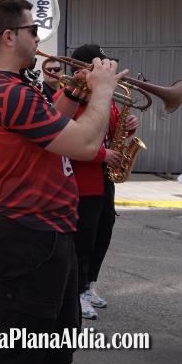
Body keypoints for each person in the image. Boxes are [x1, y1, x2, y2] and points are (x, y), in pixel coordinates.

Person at [0, 0, 122, 364]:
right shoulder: (6, 90)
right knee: (8, 358)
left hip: (47, 231)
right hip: (31, 233)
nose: (40, 38)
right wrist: (103, 90)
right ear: (9, 36)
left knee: (55, 353)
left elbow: (45, 125)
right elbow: (85, 143)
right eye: (34, 30)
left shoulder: (3, 86)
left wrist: (74, 91)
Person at [61, 44, 139, 321]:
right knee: (82, 238)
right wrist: (103, 155)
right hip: (82, 180)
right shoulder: (72, 96)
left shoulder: (105, 96)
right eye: (100, 65)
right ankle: (76, 290)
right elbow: (70, 140)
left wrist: (125, 128)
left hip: (103, 179)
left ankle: (89, 283)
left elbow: (108, 131)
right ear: (82, 68)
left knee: (102, 233)